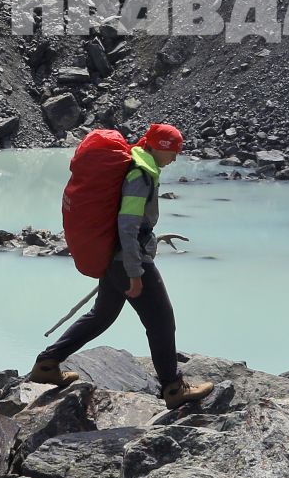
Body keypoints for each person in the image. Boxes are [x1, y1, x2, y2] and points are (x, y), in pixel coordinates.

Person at [30, 123, 213, 406]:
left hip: (113, 258)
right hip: (128, 260)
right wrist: (135, 272)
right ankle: (173, 388)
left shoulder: (138, 164)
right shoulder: (140, 174)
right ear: (160, 148)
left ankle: (47, 364)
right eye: (174, 151)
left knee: (101, 316)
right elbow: (127, 225)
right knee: (162, 321)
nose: (175, 158)